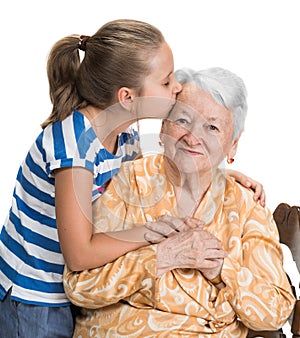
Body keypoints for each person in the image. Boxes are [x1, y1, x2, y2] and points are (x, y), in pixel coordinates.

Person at [0, 18, 264, 337]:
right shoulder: (75, 150)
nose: (177, 87)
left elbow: (153, 175)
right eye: (166, 82)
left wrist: (218, 171)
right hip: (36, 299)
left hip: (70, 291)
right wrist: (152, 233)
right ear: (127, 98)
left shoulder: (123, 136)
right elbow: (80, 254)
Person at [64, 67, 295, 337]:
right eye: (183, 120)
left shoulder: (246, 205)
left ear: (233, 145)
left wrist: (221, 269)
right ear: (163, 127)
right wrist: (159, 257)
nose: (193, 137)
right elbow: (79, 285)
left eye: (212, 127)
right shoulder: (127, 182)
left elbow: (276, 309)